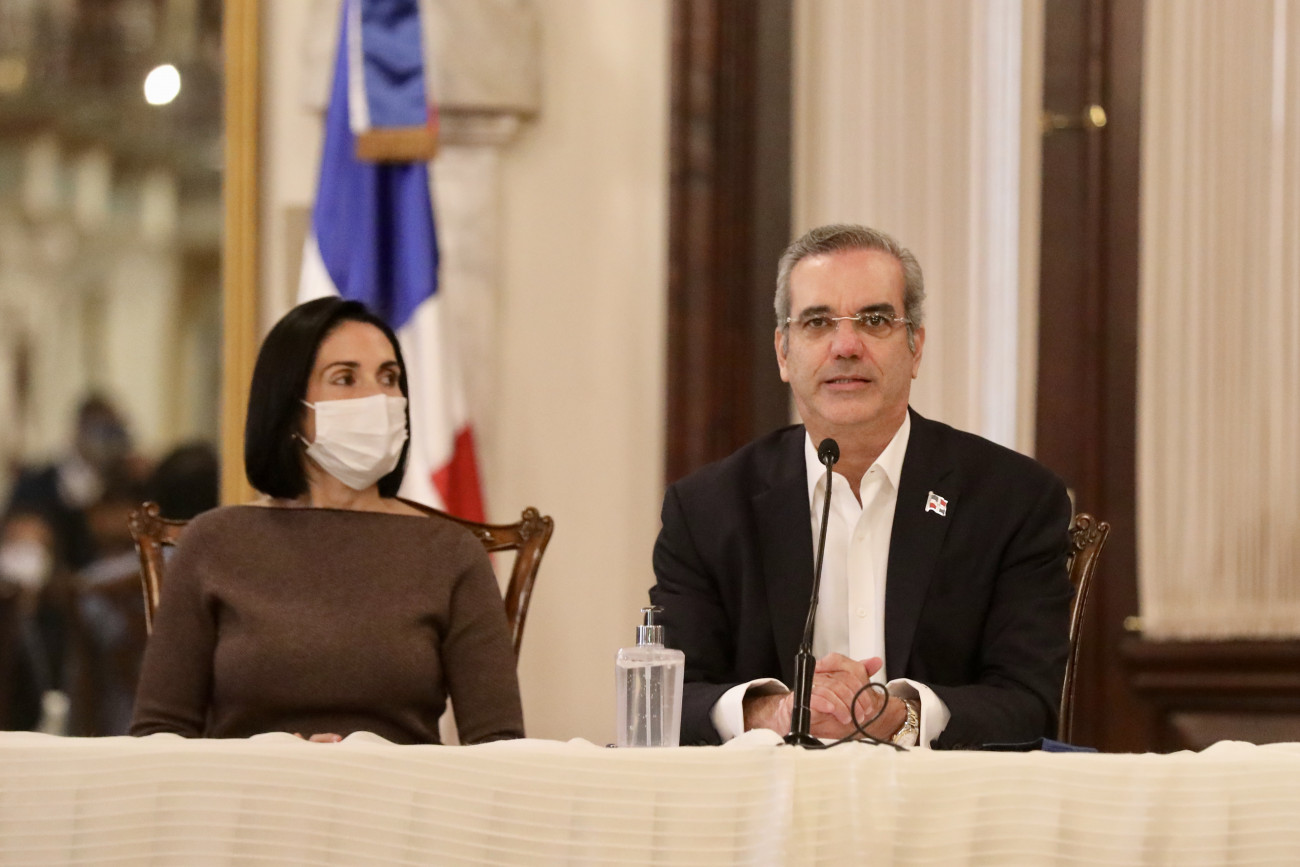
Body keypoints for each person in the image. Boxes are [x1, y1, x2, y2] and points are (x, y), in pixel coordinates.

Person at [650, 224, 1072, 749]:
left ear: (915, 347)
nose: (846, 346)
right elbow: (669, 696)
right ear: (783, 353)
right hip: (766, 795)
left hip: (944, 794)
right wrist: (775, 713)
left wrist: (894, 716)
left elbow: (1029, 704)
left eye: (874, 320)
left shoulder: (1013, 500)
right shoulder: (707, 509)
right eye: (817, 322)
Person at [131, 297, 523, 744]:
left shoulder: (451, 553)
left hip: (397, 788)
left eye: (389, 378)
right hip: (249, 788)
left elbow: (498, 745)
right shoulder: (214, 543)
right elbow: (158, 734)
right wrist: (276, 757)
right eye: (345, 378)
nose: (378, 398)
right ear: (292, 408)